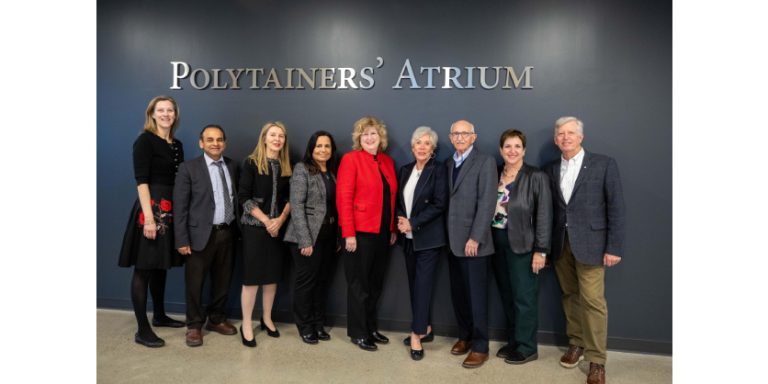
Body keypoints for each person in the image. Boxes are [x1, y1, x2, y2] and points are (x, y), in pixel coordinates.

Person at [543, 116, 625, 384]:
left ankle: (597, 360)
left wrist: (613, 246)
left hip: (592, 245)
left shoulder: (603, 164)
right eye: (561, 134)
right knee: (570, 296)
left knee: (593, 302)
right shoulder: (550, 168)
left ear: (581, 137)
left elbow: (616, 207)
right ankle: (576, 343)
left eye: (571, 133)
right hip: (560, 245)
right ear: (556, 140)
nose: (565, 137)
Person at [118, 95, 185, 348]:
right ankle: (142, 329)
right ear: (152, 114)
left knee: (160, 265)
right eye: (161, 110)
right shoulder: (144, 140)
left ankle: (159, 315)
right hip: (151, 207)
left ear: (175, 115)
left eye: (170, 110)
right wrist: (148, 218)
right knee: (144, 268)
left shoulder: (176, 144)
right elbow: (142, 181)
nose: (166, 114)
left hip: (170, 208)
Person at [173, 125, 240, 347]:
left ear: (225, 142)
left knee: (223, 281)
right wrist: (181, 239)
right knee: (195, 283)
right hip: (198, 236)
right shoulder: (188, 168)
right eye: (210, 140)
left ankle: (216, 319)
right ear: (201, 143)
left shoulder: (231, 166)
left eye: (219, 139)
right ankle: (193, 326)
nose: (215, 143)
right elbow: (180, 207)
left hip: (227, 232)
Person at [491, 129, 552, 364]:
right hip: (496, 244)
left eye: (517, 146)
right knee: (507, 295)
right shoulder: (495, 173)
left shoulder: (536, 176)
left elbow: (545, 216)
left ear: (524, 150)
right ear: (501, 150)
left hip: (524, 245)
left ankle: (527, 347)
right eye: (507, 146)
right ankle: (514, 340)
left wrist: (541, 250)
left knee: (524, 298)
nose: (512, 151)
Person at [337, 116, 398, 352]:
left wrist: (391, 228)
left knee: (374, 285)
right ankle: (359, 332)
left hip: (382, 234)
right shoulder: (351, 160)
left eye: (374, 134)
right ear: (359, 139)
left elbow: (391, 199)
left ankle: (371, 328)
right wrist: (348, 233)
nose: (370, 138)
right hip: (359, 233)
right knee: (358, 286)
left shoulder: (387, 162)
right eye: (365, 134)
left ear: (381, 138)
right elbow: (344, 198)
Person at [444, 119, 497, 368]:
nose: (460, 137)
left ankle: (480, 346)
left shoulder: (485, 162)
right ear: (450, 137)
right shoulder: (448, 163)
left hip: (474, 243)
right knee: (459, 295)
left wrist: (475, 237)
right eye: (456, 133)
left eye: (465, 133)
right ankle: (464, 337)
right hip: (452, 242)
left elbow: (487, 203)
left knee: (477, 297)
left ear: (474, 137)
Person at [394, 126, 448, 361]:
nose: (422, 147)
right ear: (412, 146)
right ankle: (424, 326)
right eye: (418, 143)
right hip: (407, 241)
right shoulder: (405, 170)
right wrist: (400, 221)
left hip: (428, 239)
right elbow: (398, 200)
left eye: (427, 143)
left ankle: (416, 336)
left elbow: (439, 204)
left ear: (433, 148)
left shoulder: (438, 170)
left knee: (423, 287)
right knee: (415, 286)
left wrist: (412, 223)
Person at [238, 121, 292, 346]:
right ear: (264, 138)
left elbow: (290, 199)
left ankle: (267, 318)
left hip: (277, 229)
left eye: (281, 136)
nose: (277, 139)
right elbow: (244, 198)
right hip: (254, 229)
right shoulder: (251, 163)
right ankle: (247, 323)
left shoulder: (287, 166)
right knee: (252, 280)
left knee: (271, 278)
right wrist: (266, 220)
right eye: (273, 135)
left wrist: (279, 220)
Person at [283, 131, 340, 345]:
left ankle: (317, 323)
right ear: (311, 148)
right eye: (318, 146)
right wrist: (305, 240)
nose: (323, 150)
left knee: (322, 282)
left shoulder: (332, 172)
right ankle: (305, 326)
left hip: (328, 236)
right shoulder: (302, 169)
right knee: (306, 283)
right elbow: (296, 206)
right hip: (306, 237)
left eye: (327, 146)